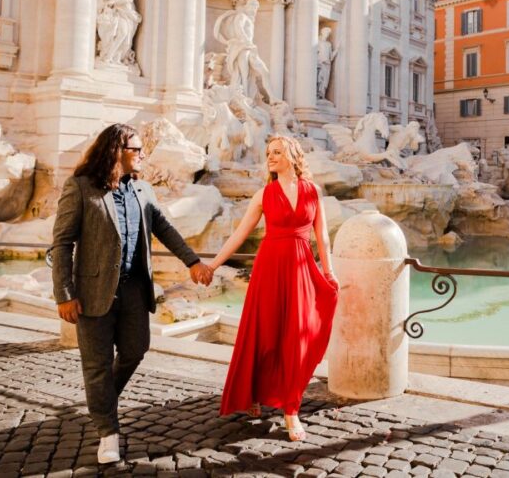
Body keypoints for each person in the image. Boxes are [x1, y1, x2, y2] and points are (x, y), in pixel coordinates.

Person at [51, 124, 213, 464]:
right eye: (136, 149)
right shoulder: (81, 188)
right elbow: (63, 243)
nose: (142, 155)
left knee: (135, 350)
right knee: (96, 368)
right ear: (116, 151)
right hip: (93, 292)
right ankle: (108, 433)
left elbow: (165, 229)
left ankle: (101, 401)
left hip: (135, 291)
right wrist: (64, 293)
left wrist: (193, 262)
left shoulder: (143, 190)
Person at [211, 135, 339, 442]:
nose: (270, 156)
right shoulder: (262, 195)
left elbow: (322, 237)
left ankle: (290, 410)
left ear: (292, 156)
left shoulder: (313, 192)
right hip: (268, 269)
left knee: (297, 337)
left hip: (301, 269)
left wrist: (329, 272)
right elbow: (239, 235)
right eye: (268, 152)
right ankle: (254, 391)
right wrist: (212, 266)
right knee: (264, 334)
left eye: (277, 152)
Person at [213, 0, 277, 104]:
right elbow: (239, 27)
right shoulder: (242, 16)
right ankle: (246, 97)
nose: (254, 10)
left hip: (249, 48)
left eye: (256, 8)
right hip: (243, 47)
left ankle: (272, 97)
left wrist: (248, 43)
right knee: (244, 74)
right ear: (247, 6)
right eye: (253, 7)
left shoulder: (249, 19)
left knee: (264, 72)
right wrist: (246, 41)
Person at [96, 0, 142, 67]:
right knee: (122, 33)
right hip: (115, 12)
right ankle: (108, 57)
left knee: (126, 39)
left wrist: (115, 1)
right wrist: (108, 3)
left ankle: (116, 58)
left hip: (127, 12)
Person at [316, 27, 337, 100]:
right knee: (319, 79)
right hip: (320, 64)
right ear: (322, 32)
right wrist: (320, 61)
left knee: (325, 81)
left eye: (328, 33)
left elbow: (331, 57)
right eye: (326, 33)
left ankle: (322, 95)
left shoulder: (329, 44)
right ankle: (317, 94)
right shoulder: (317, 42)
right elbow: (315, 53)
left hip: (327, 65)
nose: (327, 35)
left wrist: (337, 49)